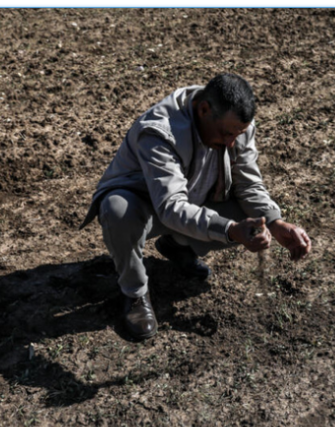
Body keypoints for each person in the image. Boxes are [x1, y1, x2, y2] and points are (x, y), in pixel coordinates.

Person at [80, 73, 312, 340]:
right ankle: (135, 293)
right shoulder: (158, 131)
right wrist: (230, 229)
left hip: (192, 197)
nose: (231, 143)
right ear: (203, 110)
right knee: (117, 210)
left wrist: (274, 222)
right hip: (148, 205)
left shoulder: (232, 123)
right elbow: (170, 206)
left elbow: (248, 184)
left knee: (254, 220)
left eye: (238, 135)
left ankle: (178, 245)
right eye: (227, 134)